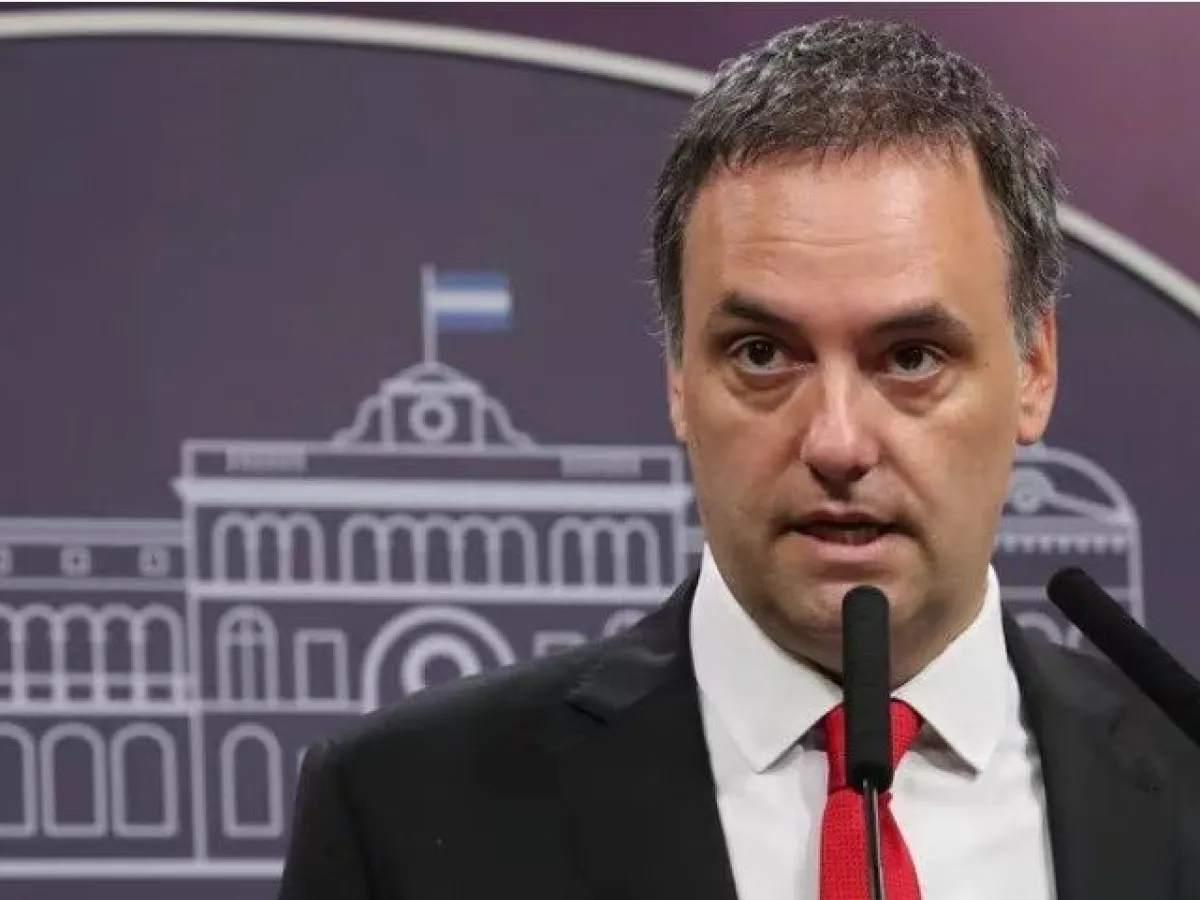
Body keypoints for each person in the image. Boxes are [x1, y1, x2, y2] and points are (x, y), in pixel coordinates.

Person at [276, 18, 1200, 900]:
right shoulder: (406, 814)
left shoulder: (1185, 782)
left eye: (912, 358)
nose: (837, 442)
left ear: (1033, 371)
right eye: (763, 354)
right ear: (679, 378)